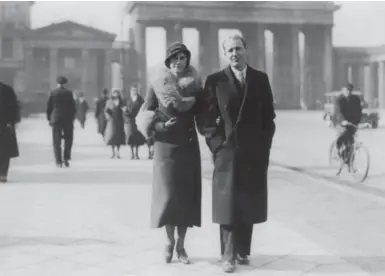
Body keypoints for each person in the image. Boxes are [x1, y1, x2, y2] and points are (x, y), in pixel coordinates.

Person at [196, 34, 276, 273]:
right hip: (227, 151)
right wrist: (217, 144)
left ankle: (242, 250)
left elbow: (268, 117)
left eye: (238, 49)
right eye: (230, 50)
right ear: (225, 53)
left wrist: (264, 145)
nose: (234, 54)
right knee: (227, 203)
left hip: (254, 152)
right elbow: (206, 118)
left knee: (248, 200)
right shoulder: (215, 81)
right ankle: (228, 255)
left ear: (246, 49)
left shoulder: (260, 79)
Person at [138, 42, 203, 264]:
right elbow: (144, 115)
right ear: (168, 62)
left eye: (182, 58)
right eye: (174, 58)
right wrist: (160, 127)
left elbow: (206, 113)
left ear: (187, 61)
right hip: (165, 146)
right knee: (168, 198)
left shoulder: (196, 86)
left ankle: (182, 246)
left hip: (188, 145)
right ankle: (168, 243)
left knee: (185, 197)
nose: (178, 62)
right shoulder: (156, 83)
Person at [46, 76, 76, 168]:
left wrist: (49, 118)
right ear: (65, 83)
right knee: (68, 139)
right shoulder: (69, 93)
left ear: (57, 83)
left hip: (56, 119)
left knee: (56, 141)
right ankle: (66, 158)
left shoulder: (53, 93)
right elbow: (73, 108)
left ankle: (58, 161)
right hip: (67, 119)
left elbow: (49, 107)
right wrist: (72, 118)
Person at [333, 83, 362, 161]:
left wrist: (360, 121)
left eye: (349, 90)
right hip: (340, 121)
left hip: (351, 122)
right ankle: (337, 150)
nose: (347, 92)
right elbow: (338, 111)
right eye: (346, 90)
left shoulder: (356, 99)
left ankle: (350, 162)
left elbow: (359, 111)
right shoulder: (339, 99)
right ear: (342, 90)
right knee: (343, 134)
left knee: (351, 141)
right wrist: (342, 121)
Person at [0, 81, 20, 183]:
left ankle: (3, 173)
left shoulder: (7, 90)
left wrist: (12, 121)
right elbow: (15, 106)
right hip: (5, 124)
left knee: (5, 150)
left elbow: (14, 106)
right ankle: (3, 173)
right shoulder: (7, 89)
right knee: (5, 150)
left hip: (4, 124)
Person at [123, 84, 146, 159]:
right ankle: (132, 153)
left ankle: (136, 153)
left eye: (135, 90)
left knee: (137, 137)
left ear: (137, 91)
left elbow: (143, 109)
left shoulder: (141, 100)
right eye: (132, 90)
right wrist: (125, 113)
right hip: (130, 121)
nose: (134, 91)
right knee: (130, 137)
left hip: (137, 121)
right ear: (130, 91)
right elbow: (125, 109)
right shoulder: (128, 100)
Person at [104, 89, 126, 158]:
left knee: (119, 137)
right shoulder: (109, 102)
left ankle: (118, 152)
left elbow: (125, 111)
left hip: (120, 121)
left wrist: (125, 113)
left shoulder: (122, 102)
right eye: (114, 93)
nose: (115, 95)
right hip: (112, 121)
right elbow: (106, 110)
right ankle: (113, 152)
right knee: (112, 136)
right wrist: (108, 117)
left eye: (116, 93)